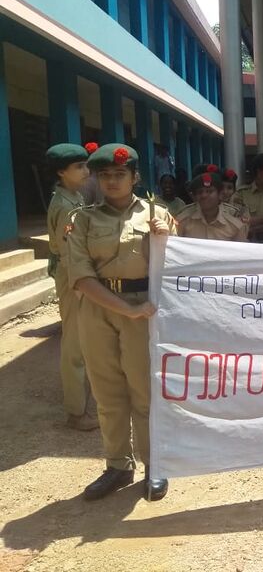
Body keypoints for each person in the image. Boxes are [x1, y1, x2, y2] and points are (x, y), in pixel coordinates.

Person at [67, 143, 175, 501]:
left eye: (120, 174)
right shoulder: (82, 219)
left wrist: (167, 237)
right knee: (107, 392)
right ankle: (117, 465)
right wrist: (123, 309)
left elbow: (181, 265)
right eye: (105, 175)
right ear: (97, 179)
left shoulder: (157, 213)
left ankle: (153, 465)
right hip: (99, 309)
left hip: (144, 307)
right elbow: (81, 277)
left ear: (134, 177)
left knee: (144, 391)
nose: (112, 181)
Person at [45, 142, 98, 431]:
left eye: (84, 164)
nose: (85, 170)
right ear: (61, 172)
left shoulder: (74, 197)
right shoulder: (66, 206)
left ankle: (82, 404)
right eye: (78, 166)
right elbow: (67, 252)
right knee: (75, 345)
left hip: (76, 273)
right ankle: (76, 412)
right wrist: (80, 285)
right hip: (72, 276)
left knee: (84, 341)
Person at [176, 170, 248, 241]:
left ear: (220, 195)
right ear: (195, 197)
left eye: (209, 191)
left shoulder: (235, 226)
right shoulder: (182, 222)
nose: (204, 195)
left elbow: (241, 251)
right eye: (200, 192)